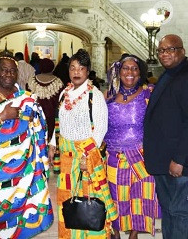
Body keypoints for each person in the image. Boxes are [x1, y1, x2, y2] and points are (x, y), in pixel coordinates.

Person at [0, 56, 53, 238]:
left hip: (22, 168)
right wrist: (2, 116)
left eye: (12, 71)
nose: (8, 74)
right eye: (4, 70)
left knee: (21, 213)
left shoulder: (20, 93)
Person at [143, 34, 188, 239]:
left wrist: (180, 159)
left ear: (182, 51)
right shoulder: (169, 74)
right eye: (161, 50)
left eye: (170, 49)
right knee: (170, 211)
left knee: (181, 213)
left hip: (179, 163)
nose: (165, 54)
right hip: (163, 160)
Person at [48, 49, 117, 238]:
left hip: (86, 157)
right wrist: (53, 143)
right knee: (68, 201)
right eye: (72, 68)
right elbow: (59, 122)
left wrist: (88, 156)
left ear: (88, 72)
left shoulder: (94, 95)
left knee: (89, 201)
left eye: (81, 68)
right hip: (66, 159)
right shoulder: (65, 93)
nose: (76, 72)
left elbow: (101, 128)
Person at [105, 54, 161, 239]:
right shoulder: (108, 95)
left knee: (138, 196)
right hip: (114, 155)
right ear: (118, 72)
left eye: (134, 69)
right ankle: (115, 231)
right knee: (115, 197)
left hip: (141, 155)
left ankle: (134, 233)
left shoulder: (149, 93)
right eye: (126, 69)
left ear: (140, 72)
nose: (130, 72)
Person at [26, 58, 64, 141]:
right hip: (52, 117)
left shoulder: (31, 81)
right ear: (52, 67)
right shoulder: (58, 82)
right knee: (51, 139)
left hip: (35, 116)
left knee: (36, 139)